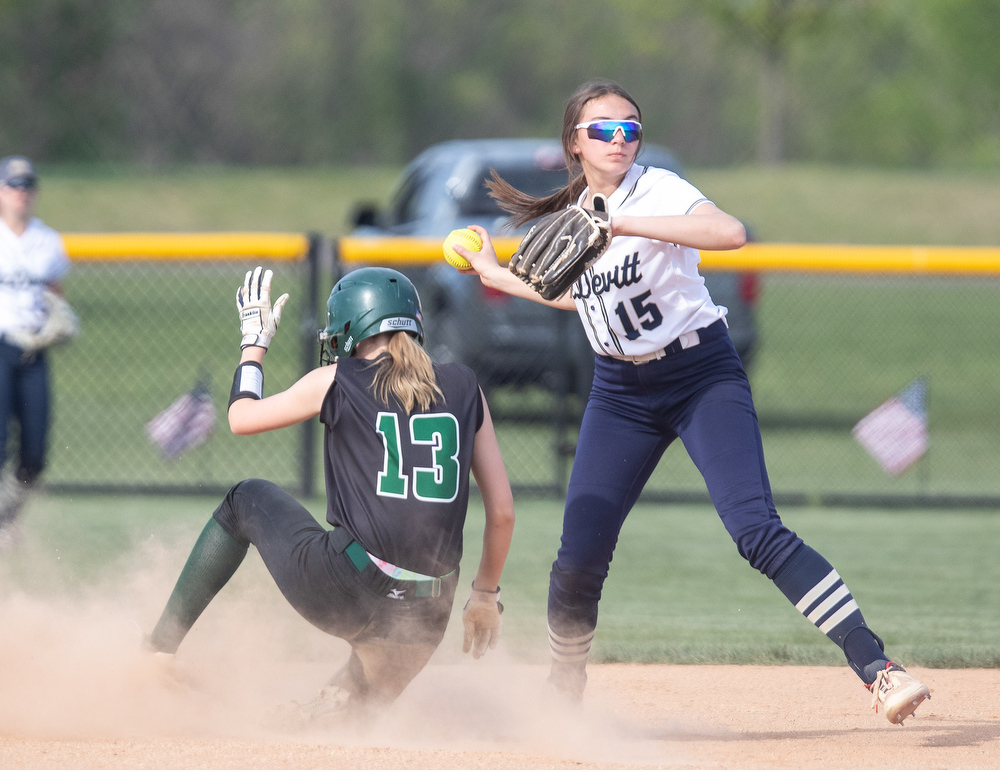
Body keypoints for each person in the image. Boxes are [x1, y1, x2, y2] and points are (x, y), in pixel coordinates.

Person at [453, 79, 930, 725]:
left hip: (701, 374)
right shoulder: (574, 216)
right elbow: (579, 297)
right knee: (578, 559)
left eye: (630, 127)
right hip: (620, 392)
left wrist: (616, 219)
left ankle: (877, 668)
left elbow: (728, 232)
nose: (620, 139)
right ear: (575, 143)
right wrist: (492, 271)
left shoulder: (657, 191)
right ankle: (564, 687)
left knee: (755, 531)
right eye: (604, 129)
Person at [144, 265, 514, 720]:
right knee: (338, 717)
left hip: (350, 588)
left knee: (245, 499)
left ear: (351, 328)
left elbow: (241, 418)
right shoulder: (465, 386)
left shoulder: (339, 379)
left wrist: (253, 346)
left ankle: (156, 652)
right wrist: (482, 597)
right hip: (426, 617)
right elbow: (502, 514)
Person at [0, 155, 77, 542]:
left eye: (27, 185)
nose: (21, 193)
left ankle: (6, 519)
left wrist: (60, 322)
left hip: (33, 353)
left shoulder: (46, 241)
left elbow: (55, 295)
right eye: (14, 185)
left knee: (34, 453)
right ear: (0, 191)